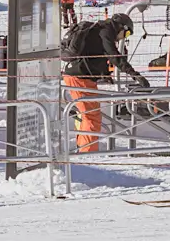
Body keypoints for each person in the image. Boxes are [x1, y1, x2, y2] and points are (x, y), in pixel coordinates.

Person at [61, 13, 144, 155]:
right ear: (121, 27)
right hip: (80, 78)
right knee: (91, 118)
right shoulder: (106, 31)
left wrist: (105, 75)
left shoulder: (100, 30)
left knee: (88, 116)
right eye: (127, 33)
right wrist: (133, 73)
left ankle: (84, 150)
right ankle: (87, 155)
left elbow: (98, 53)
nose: (124, 37)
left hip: (81, 77)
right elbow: (113, 55)